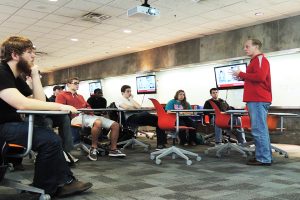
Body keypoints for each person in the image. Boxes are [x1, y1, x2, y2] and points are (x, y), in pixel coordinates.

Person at [0, 36, 92, 197]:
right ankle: (48, 186)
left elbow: (38, 102)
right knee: (50, 139)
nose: (33, 56)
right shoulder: (1, 72)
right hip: (2, 128)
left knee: (49, 137)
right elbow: (22, 104)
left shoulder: (15, 77)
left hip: (9, 125)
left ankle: (61, 182)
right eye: (29, 53)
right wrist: (61, 105)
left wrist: (35, 76)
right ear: (15, 55)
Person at [56, 77, 125, 161]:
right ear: (68, 84)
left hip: (87, 116)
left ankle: (113, 149)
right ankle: (94, 148)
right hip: (75, 117)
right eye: (75, 83)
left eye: (78, 83)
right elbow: (60, 107)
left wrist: (89, 111)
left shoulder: (80, 96)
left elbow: (88, 106)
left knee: (115, 125)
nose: (77, 85)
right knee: (98, 122)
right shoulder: (62, 95)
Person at [232, 38, 272, 166]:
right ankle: (264, 156)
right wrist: (242, 76)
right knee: (259, 129)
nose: (245, 49)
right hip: (255, 99)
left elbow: (260, 77)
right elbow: (255, 79)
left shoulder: (261, 59)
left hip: (258, 99)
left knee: (259, 129)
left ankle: (264, 158)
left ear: (256, 46)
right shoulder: (254, 61)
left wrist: (242, 74)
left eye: (247, 46)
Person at [115, 85, 167, 150]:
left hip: (139, 117)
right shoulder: (118, 99)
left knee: (159, 121)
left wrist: (131, 99)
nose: (129, 93)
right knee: (144, 113)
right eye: (128, 91)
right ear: (122, 93)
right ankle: (146, 114)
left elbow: (139, 107)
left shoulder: (130, 100)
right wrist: (134, 107)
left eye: (130, 91)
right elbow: (127, 108)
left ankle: (160, 145)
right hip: (130, 119)